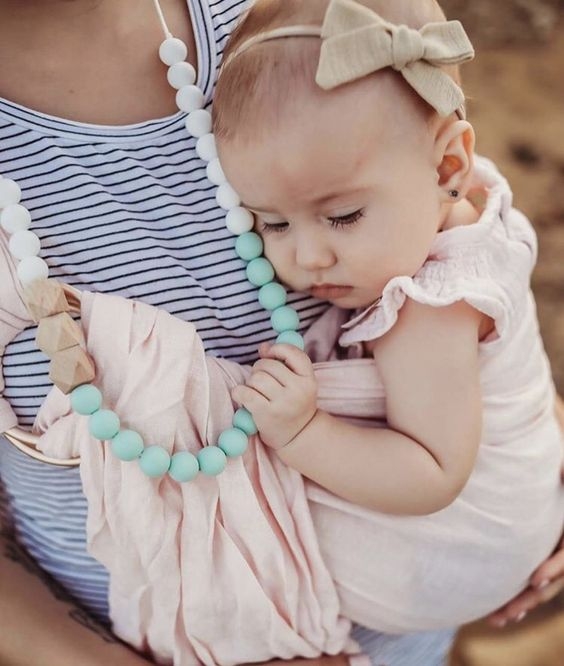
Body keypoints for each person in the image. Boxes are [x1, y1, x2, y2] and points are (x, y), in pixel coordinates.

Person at [0, 0, 562, 665]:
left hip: (413, 627)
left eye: (341, 217)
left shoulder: (324, 21)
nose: (305, 261)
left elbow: (440, 220)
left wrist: (530, 452)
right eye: (270, 223)